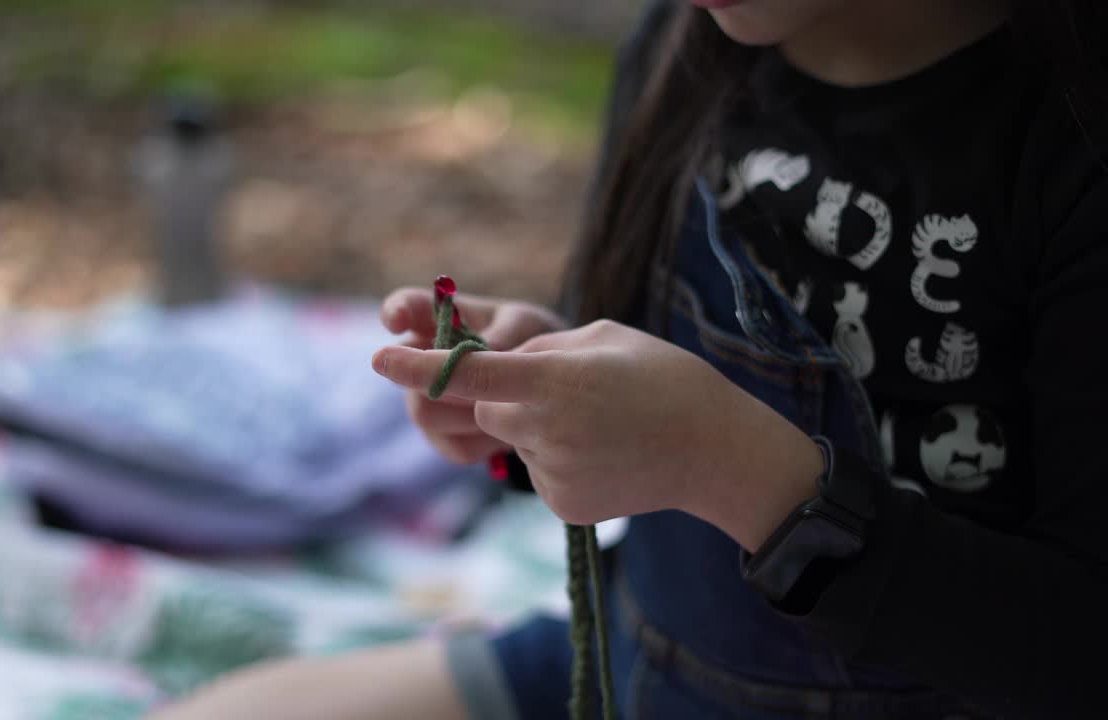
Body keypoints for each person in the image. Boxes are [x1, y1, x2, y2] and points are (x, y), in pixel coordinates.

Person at [150, 0, 1108, 717]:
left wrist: (743, 473)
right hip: (635, 664)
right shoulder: (680, 53)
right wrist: (531, 399)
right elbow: (644, 402)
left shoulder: (1067, 138)